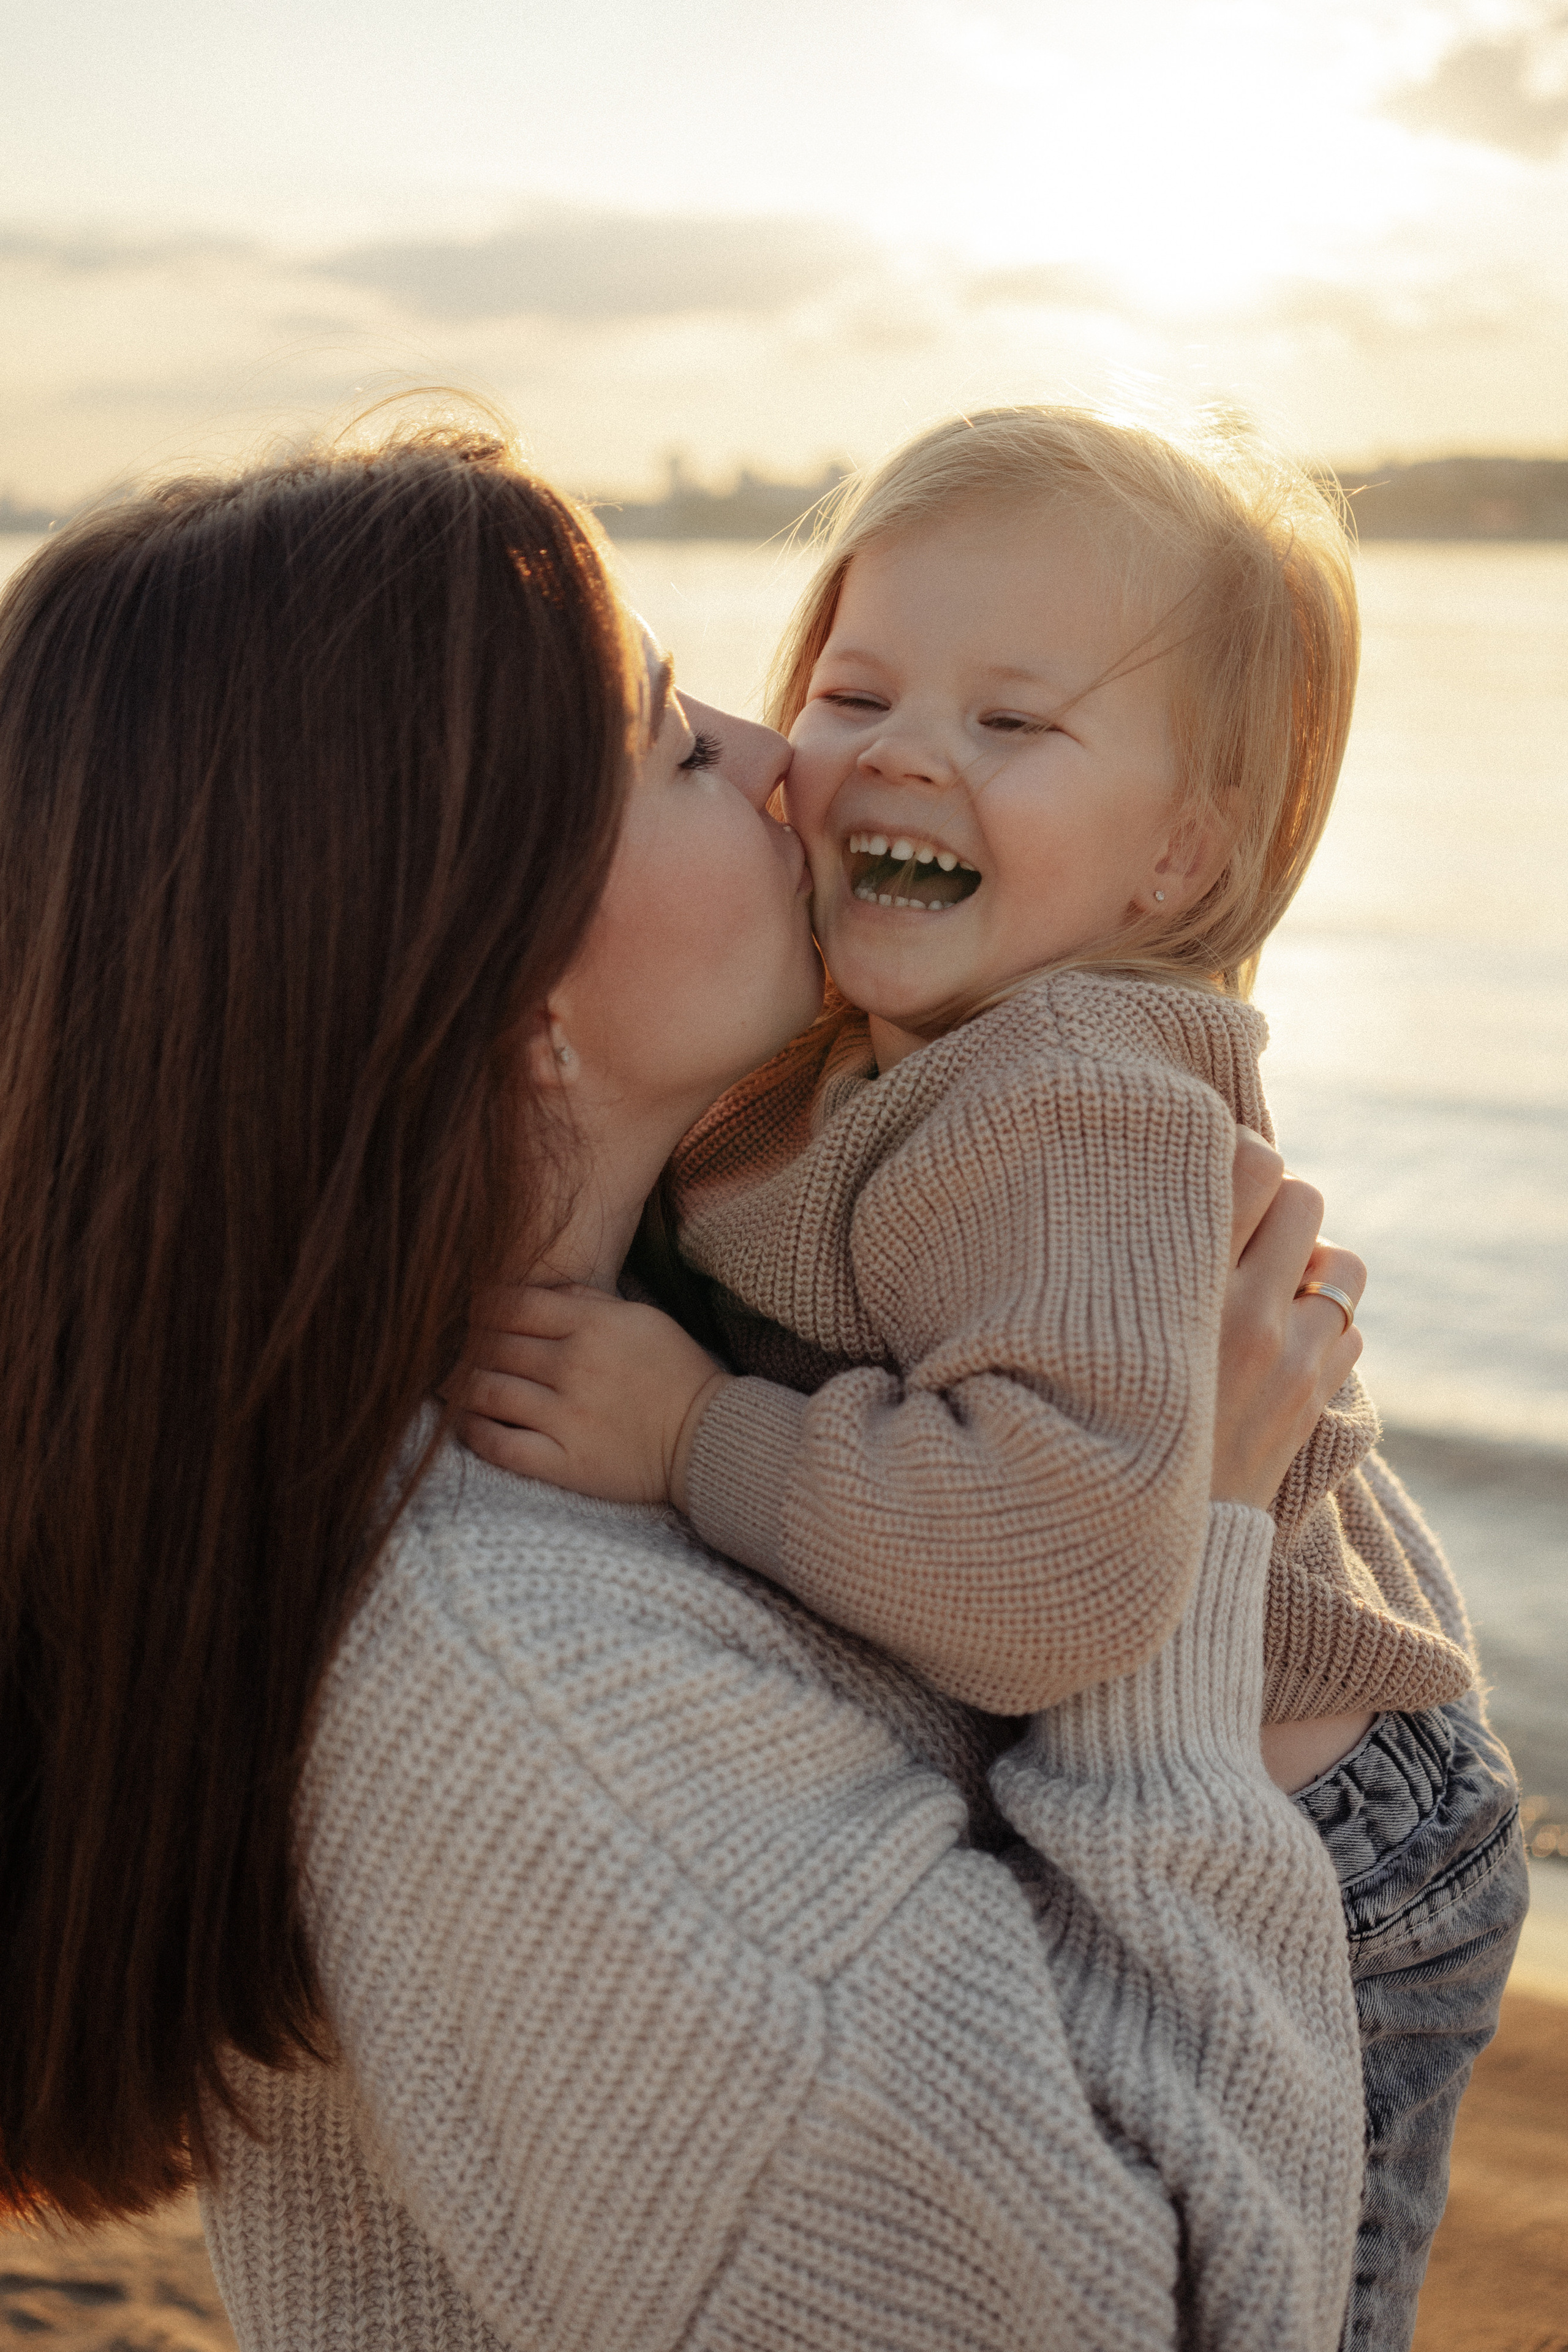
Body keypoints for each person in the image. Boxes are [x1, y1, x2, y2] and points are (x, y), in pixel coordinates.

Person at [0, 420, 1365, 2351]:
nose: (776, 747)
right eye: (666, 744)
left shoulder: (542, 1385)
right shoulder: (527, 1698)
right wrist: (1198, 1536)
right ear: (512, 1001)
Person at [460, 407, 1529, 2352]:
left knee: (1294, 2302)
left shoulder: (1075, 1100)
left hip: (1325, 1848)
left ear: (1178, 858)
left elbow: (1055, 1573)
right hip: (1178, 1775)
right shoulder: (880, 1037)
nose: (904, 752)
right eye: (857, 691)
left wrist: (691, 1433)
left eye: (1015, 722)